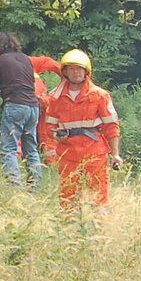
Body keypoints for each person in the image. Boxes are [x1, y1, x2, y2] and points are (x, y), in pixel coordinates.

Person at [44, 49, 122, 214]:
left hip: (94, 153)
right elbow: (49, 127)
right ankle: (70, 232)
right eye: (71, 68)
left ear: (86, 71)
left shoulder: (100, 95)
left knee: (99, 197)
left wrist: (116, 154)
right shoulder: (55, 98)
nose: (76, 72)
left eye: (79, 68)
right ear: (65, 72)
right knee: (67, 198)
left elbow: (111, 127)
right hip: (67, 154)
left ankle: (102, 232)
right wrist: (55, 135)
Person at [0, 33, 44, 189]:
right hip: (33, 106)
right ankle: (36, 187)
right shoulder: (26, 59)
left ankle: (14, 186)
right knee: (31, 148)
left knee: (9, 148)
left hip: (15, 105)